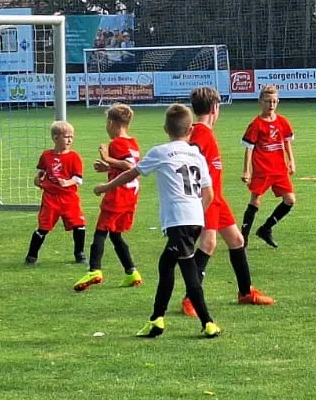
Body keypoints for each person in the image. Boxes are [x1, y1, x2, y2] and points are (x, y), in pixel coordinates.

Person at [93, 104, 222, 339]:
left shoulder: (161, 152)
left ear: (165, 129)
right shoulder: (197, 154)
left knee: (189, 271)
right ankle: (157, 320)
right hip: (195, 219)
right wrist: (196, 212)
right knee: (166, 265)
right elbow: (209, 194)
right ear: (190, 130)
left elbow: (130, 173)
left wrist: (105, 187)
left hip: (179, 220)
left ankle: (207, 322)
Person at [181, 86, 275, 317]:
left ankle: (245, 292)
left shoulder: (201, 131)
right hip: (207, 197)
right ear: (215, 108)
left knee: (236, 240)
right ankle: (190, 298)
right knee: (208, 244)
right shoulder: (201, 133)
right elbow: (188, 159)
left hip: (217, 198)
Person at [74, 104, 144, 290]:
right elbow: (129, 165)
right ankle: (131, 272)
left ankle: (94, 270)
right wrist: (109, 167)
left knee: (101, 231)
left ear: (112, 123)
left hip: (118, 195)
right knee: (115, 234)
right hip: (131, 195)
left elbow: (129, 167)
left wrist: (107, 159)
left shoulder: (116, 144)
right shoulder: (133, 142)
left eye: (107, 123)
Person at [240, 85, 296, 247]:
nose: (271, 105)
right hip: (262, 169)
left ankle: (266, 228)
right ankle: (243, 239)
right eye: (267, 101)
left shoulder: (282, 122)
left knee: (290, 200)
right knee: (255, 201)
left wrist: (291, 160)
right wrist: (246, 170)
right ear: (260, 102)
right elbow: (249, 148)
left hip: (279, 169)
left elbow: (286, 142)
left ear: (278, 102)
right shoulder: (256, 124)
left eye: (274, 101)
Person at [26, 121, 86, 265]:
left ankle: (80, 254)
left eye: (71, 137)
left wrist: (67, 182)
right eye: (66, 137)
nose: (70, 140)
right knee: (43, 227)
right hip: (50, 198)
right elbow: (41, 172)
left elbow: (78, 178)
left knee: (79, 224)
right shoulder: (46, 155)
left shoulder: (74, 157)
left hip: (69, 198)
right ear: (55, 138)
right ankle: (31, 256)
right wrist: (38, 179)